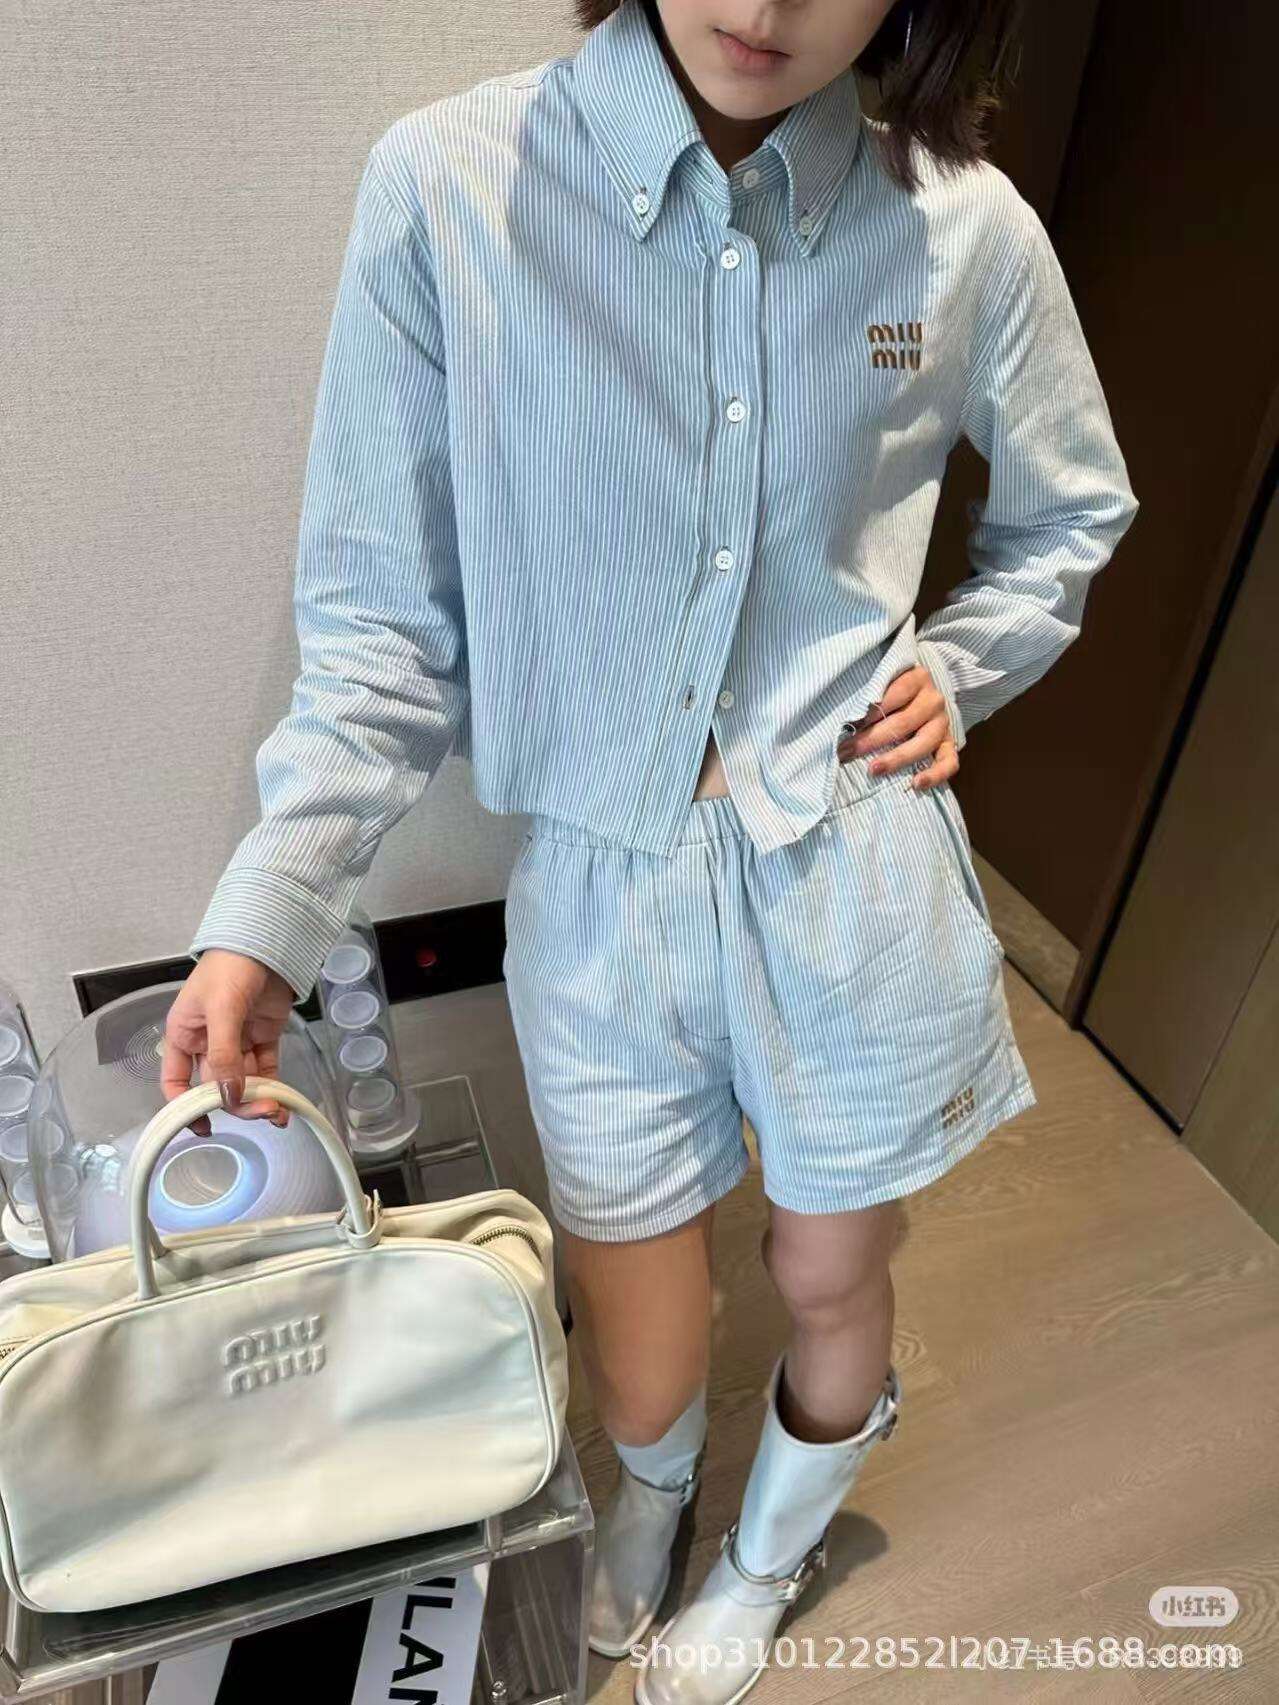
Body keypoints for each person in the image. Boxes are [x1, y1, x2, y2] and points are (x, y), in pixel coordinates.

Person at [163, 1, 1138, 1699]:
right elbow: (384, 623)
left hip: (849, 864)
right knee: (638, 1343)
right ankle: (657, 1486)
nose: (765, 5)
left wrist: (962, 664)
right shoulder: (451, 188)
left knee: (831, 1267)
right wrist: (270, 908)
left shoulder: (959, 227)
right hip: (598, 885)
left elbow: (1073, 509)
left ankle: (768, 1555)